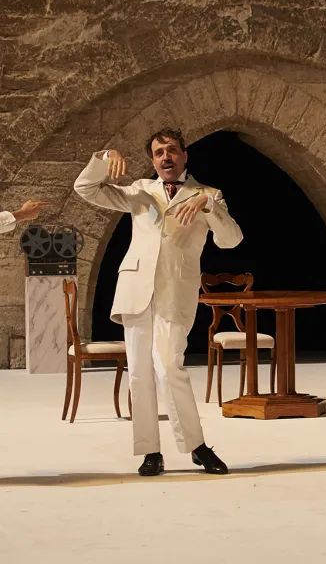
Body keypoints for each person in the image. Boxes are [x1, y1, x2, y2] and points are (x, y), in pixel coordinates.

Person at [74, 129, 243, 476]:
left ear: (184, 155)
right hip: (136, 290)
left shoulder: (208, 194)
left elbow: (231, 240)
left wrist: (208, 206)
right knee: (140, 373)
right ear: (153, 160)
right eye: (158, 152)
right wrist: (105, 157)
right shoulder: (139, 191)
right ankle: (150, 451)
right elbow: (85, 188)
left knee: (168, 366)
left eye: (171, 150)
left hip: (175, 291)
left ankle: (196, 446)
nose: (165, 157)